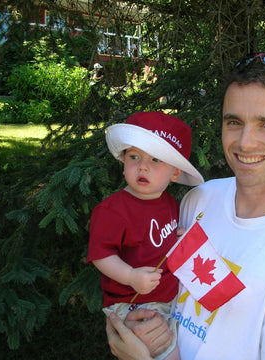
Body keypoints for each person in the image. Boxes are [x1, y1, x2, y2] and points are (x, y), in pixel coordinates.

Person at [106, 54, 265, 359]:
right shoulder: (199, 199)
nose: (245, 142)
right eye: (234, 122)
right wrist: (142, 326)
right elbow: (173, 303)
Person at [88, 111, 204, 360]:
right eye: (134, 156)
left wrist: (179, 238)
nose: (142, 166)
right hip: (135, 302)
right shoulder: (112, 210)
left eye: (155, 160)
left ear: (175, 173)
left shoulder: (171, 203)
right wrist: (130, 275)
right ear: (123, 162)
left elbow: (163, 241)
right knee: (167, 353)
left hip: (168, 297)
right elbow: (101, 254)